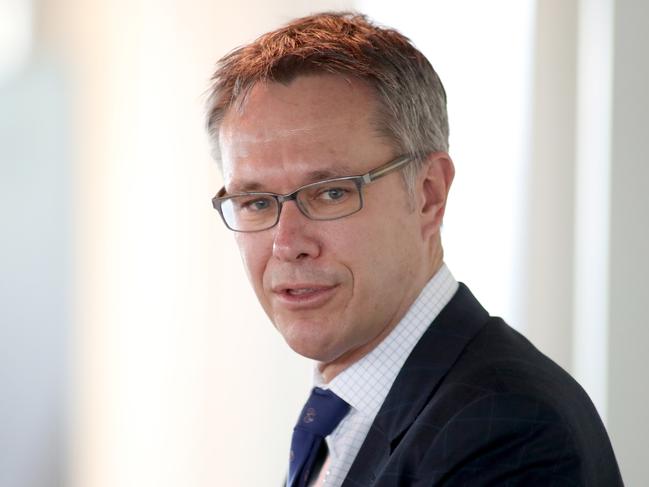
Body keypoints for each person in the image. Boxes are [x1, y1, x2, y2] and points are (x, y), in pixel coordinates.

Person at [205, 12, 623, 487]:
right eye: (256, 202)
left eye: (332, 193)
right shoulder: (347, 411)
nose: (286, 244)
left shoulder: (509, 430)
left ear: (428, 194)